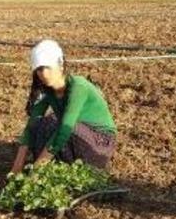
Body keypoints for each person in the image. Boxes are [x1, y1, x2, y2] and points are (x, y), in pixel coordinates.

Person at [10, 39, 117, 173]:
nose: (44, 74)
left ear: (60, 65)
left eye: (48, 67)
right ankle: (56, 167)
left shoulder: (78, 86)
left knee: (63, 126)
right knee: (42, 124)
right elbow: (31, 125)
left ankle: (82, 169)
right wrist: (17, 164)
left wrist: (38, 166)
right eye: (39, 69)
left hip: (100, 143)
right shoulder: (48, 91)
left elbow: (66, 127)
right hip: (79, 135)